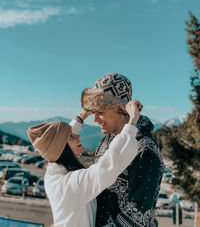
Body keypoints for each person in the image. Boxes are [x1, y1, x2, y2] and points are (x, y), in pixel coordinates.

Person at [27, 100, 141, 227]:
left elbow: (60, 140)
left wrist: (83, 115)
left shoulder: (55, 165)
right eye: (72, 136)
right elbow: (107, 168)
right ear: (63, 149)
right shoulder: (66, 185)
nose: (78, 136)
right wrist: (132, 123)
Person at [81, 72, 164, 227]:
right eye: (93, 112)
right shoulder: (105, 142)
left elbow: (138, 215)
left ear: (119, 108)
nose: (95, 118)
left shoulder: (145, 149)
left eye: (100, 111)